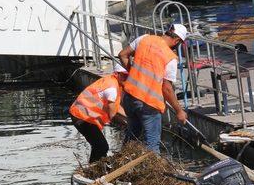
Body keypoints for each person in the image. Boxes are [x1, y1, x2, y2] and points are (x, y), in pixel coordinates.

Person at [118, 24, 189, 153]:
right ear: (177, 41)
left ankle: (123, 164)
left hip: (130, 97)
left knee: (132, 137)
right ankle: (153, 172)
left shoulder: (144, 39)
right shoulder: (170, 58)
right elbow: (167, 88)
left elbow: (122, 54)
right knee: (151, 143)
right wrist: (179, 111)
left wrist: (133, 73)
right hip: (148, 103)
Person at [69, 64, 128, 163]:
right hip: (82, 117)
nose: (127, 78)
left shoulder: (111, 81)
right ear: (117, 74)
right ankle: (93, 170)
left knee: (99, 146)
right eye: (125, 76)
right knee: (101, 146)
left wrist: (129, 117)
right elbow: (112, 115)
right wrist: (128, 123)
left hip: (83, 114)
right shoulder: (112, 88)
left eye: (129, 76)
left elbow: (116, 107)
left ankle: (95, 167)